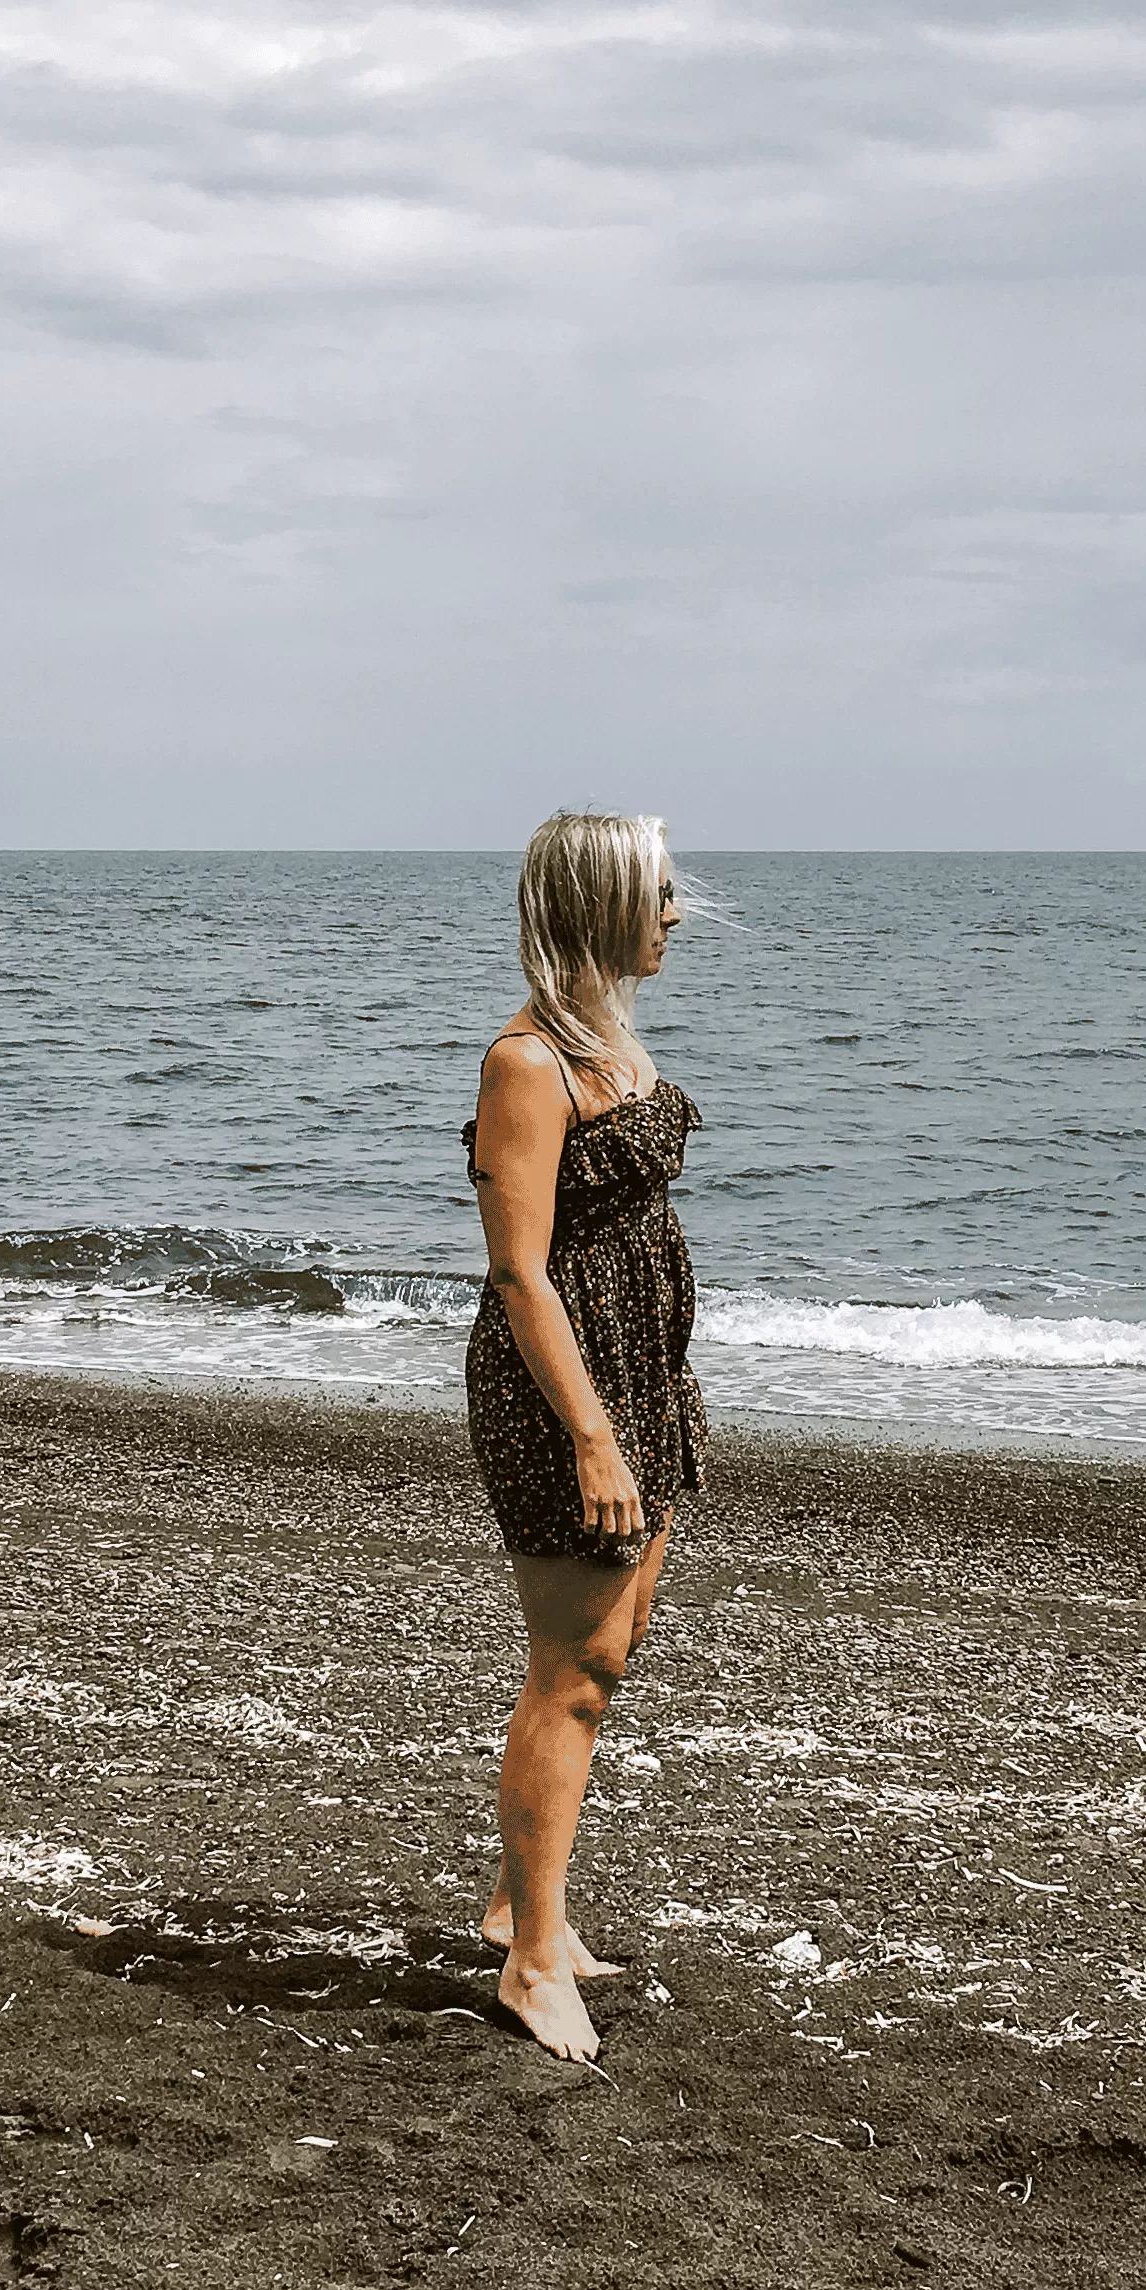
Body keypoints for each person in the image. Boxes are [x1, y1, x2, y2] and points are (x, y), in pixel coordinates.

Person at [462, 811, 705, 2062]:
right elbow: (520, 1275)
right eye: (656, 894)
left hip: (636, 1380)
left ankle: (522, 1903)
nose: (675, 914)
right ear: (599, 903)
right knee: (574, 1672)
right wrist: (595, 1439)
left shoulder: (605, 1038)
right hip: (568, 1395)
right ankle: (530, 1960)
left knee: (609, 1648)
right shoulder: (527, 1063)